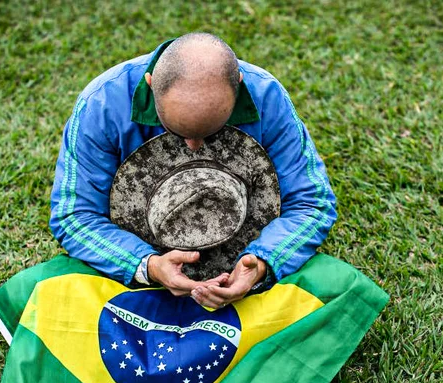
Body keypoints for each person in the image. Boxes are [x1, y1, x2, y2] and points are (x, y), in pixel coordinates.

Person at [50, 33, 337, 310]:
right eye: (176, 131)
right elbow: (74, 215)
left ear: (238, 85)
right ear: (150, 85)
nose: (193, 147)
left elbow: (311, 203)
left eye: (211, 132)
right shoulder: (102, 104)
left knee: (336, 286)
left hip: (245, 262)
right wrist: (147, 266)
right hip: (137, 265)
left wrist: (262, 263)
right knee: (57, 293)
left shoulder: (267, 96)